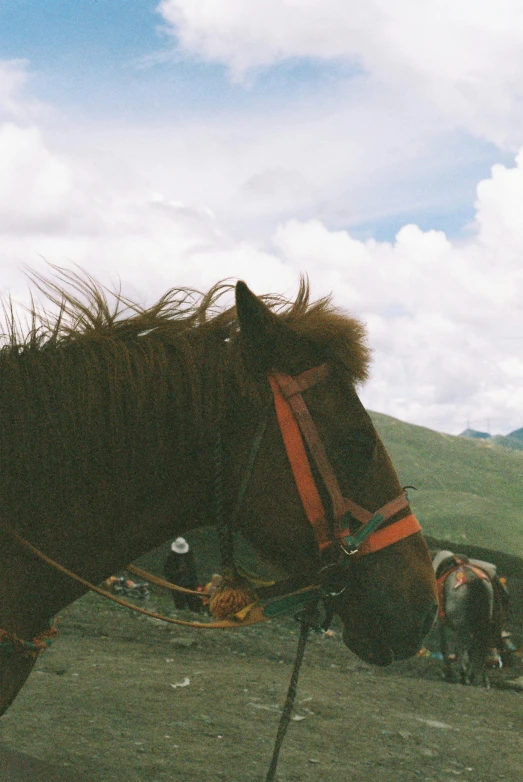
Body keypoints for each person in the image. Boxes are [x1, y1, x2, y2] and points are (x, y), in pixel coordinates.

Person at [163, 537, 202, 612]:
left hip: (189, 581)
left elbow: (192, 569)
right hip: (176, 582)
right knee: (179, 602)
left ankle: (195, 613)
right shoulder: (171, 557)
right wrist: (178, 571)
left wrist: (195, 581)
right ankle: (181, 612)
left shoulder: (189, 556)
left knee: (193, 600)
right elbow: (167, 572)